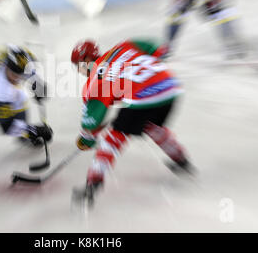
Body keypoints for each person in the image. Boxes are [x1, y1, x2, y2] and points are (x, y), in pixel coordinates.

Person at [70, 38, 194, 206]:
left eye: (78, 65)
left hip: (144, 97)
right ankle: (181, 160)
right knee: (151, 126)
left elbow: (91, 123)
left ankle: (93, 183)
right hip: (170, 86)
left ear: (85, 61)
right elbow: (159, 51)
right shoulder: (124, 46)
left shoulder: (95, 80)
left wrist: (86, 139)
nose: (79, 71)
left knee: (112, 139)